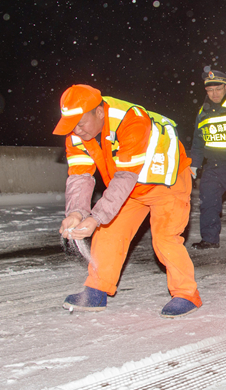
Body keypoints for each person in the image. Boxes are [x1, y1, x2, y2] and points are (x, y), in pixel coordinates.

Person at [54, 84, 202, 318]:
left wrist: (96, 216)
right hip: (130, 188)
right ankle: (96, 290)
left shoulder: (131, 120)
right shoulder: (77, 133)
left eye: (80, 124)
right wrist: (76, 213)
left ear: (99, 113)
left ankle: (186, 294)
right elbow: (80, 175)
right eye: (71, 125)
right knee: (108, 233)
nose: (76, 131)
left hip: (167, 182)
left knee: (165, 239)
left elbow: (125, 176)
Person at [188, 70, 226, 249]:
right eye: (210, 90)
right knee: (208, 203)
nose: (214, 93)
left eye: (218, 89)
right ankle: (210, 239)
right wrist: (194, 164)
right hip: (211, 166)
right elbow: (197, 141)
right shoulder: (202, 112)